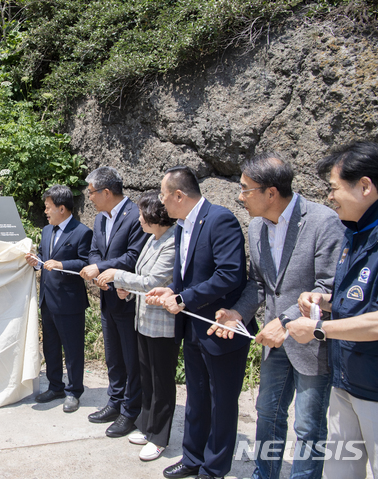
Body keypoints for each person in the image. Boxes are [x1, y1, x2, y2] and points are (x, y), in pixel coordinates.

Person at [212, 154, 342, 479]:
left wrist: (283, 321)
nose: (239, 197)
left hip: (312, 343)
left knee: (308, 425)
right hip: (275, 343)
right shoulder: (256, 227)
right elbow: (258, 284)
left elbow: (328, 288)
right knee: (267, 412)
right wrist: (236, 314)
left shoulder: (323, 222)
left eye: (245, 189)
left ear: (270, 193)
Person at [146, 166, 253, 479]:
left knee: (222, 402)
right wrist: (173, 291)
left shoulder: (220, 220)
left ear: (179, 195)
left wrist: (183, 299)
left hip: (221, 328)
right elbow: (188, 276)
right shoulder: (181, 225)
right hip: (192, 327)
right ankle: (192, 458)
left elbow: (230, 274)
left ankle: (214, 468)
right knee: (195, 397)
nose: (162, 203)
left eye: (164, 196)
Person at [288, 141, 378, 479]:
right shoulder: (355, 233)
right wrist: (323, 301)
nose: (329, 197)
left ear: (365, 186)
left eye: (333, 188)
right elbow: (359, 298)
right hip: (345, 380)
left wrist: (319, 329)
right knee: (341, 471)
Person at [96, 191, 179, 462]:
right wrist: (127, 291)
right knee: (147, 379)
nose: (139, 218)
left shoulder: (172, 241)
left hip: (163, 324)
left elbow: (154, 280)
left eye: (143, 214)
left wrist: (118, 277)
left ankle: (159, 438)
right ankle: (147, 426)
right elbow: (141, 279)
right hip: (143, 319)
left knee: (162, 382)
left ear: (156, 216)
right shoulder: (153, 240)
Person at [79, 166, 147, 437]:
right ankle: (115, 401)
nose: (90, 198)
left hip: (129, 299)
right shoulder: (100, 219)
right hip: (108, 297)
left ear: (107, 192)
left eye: (92, 193)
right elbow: (94, 251)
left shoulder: (134, 216)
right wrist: (99, 269)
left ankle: (131, 411)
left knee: (132, 359)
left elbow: (133, 256)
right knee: (114, 358)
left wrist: (102, 269)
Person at [25, 185, 93, 413]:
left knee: (73, 350)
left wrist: (62, 265)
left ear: (61, 208)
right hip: (47, 299)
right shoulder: (47, 231)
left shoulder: (82, 232)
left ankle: (74, 392)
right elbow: (46, 257)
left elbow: (86, 263)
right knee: (51, 346)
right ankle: (55, 386)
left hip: (69, 302)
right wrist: (37, 260)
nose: (46, 211)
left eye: (48, 207)